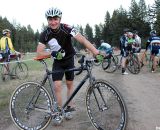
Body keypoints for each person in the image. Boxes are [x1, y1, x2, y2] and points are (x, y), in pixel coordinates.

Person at [36, 7, 103, 119]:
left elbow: (82, 39)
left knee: (69, 84)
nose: (53, 22)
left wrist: (96, 52)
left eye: (55, 19)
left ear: (60, 19)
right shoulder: (45, 33)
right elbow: (39, 53)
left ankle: (69, 107)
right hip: (58, 62)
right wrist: (52, 54)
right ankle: (59, 110)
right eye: (50, 19)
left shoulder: (67, 28)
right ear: (47, 20)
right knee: (57, 86)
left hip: (69, 59)